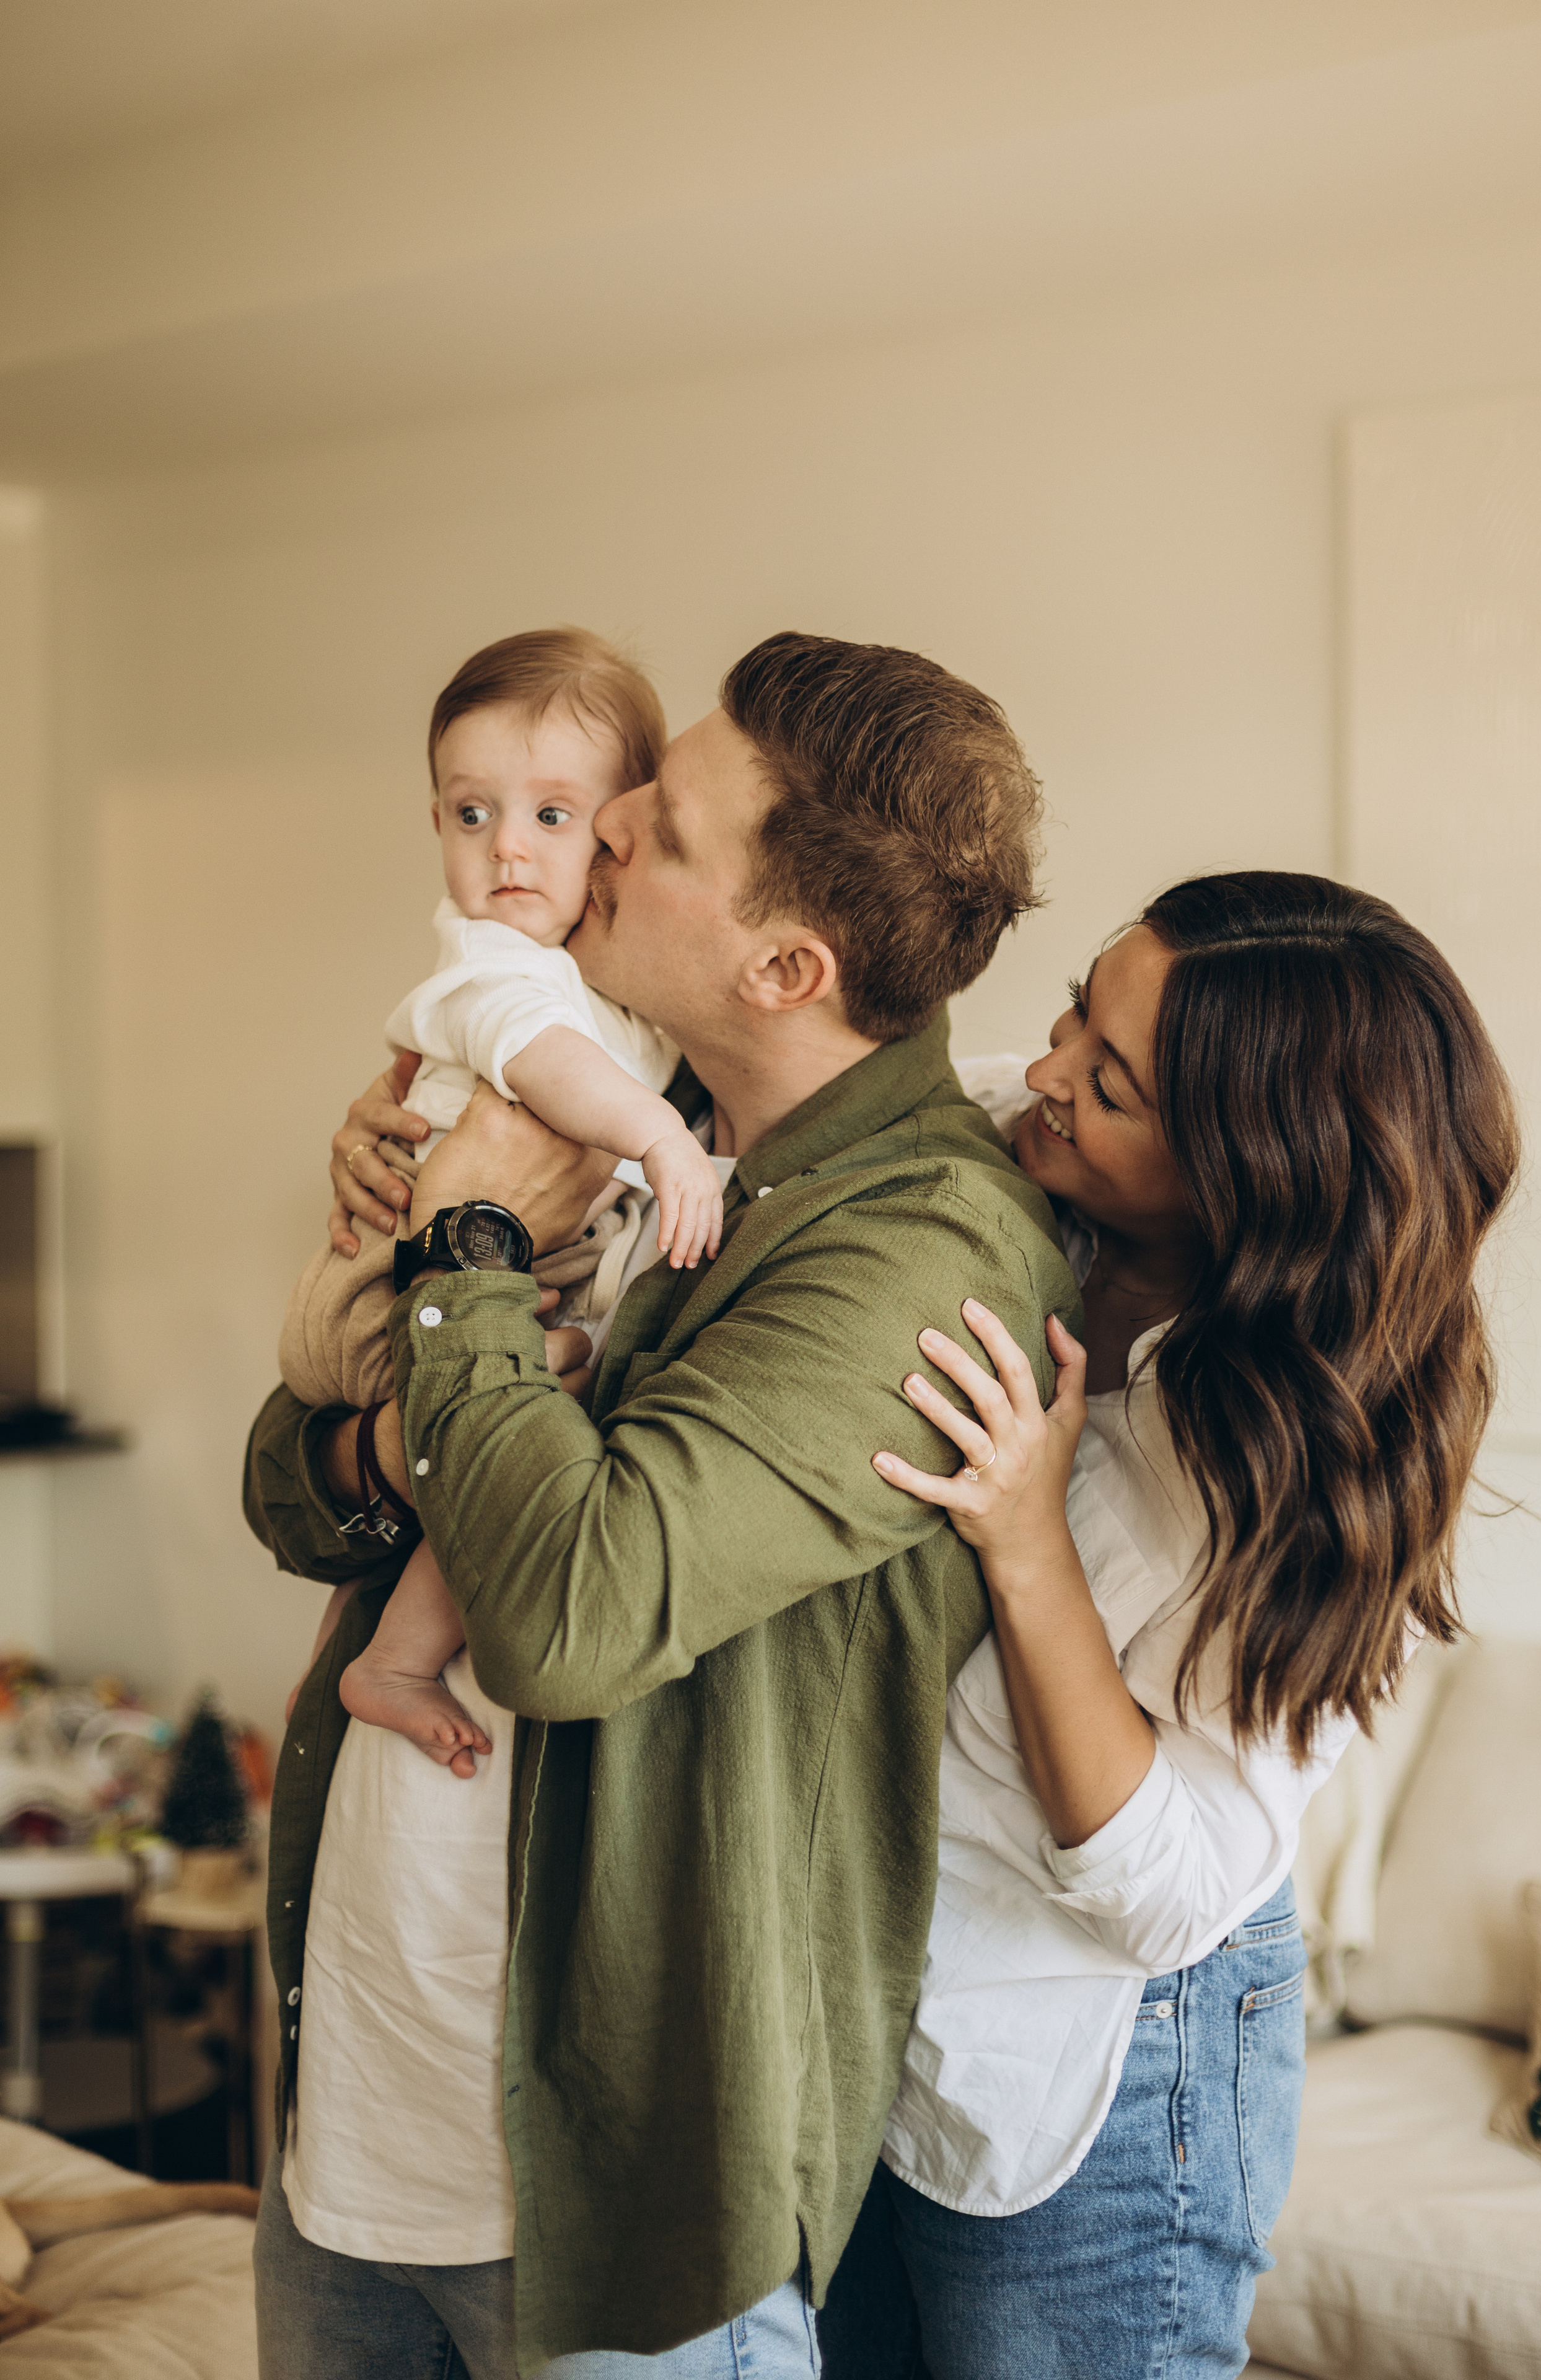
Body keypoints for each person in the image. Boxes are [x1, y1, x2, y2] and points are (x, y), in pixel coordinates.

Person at [242, 631, 1084, 2378]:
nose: (599, 821)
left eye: (666, 826)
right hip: (359, 2120)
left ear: (786, 963)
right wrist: (396, 1384)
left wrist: (462, 1245)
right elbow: (289, 1477)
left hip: (610, 2195)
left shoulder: (919, 1245)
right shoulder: (604, 1106)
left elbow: (568, 1614)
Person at [819, 871, 1521, 2379]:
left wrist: (1025, 1541)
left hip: (1119, 2060)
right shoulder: (1030, 1151)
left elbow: (1166, 1895)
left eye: (1112, 1083)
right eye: (1083, 999)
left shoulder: (1296, 1465)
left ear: (1240, 1177)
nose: (1049, 1064)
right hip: (898, 1995)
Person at [278, 628, 722, 1777]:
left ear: (618, 829)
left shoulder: (604, 978)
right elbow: (540, 1062)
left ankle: (382, 1658)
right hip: (380, 1287)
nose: (507, 851)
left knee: (526, 1405)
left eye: (551, 817)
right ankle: (393, 1663)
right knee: (523, 1411)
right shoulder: (495, 961)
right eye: (472, 815)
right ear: (435, 823)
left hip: (459, 1274)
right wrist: (661, 1137)